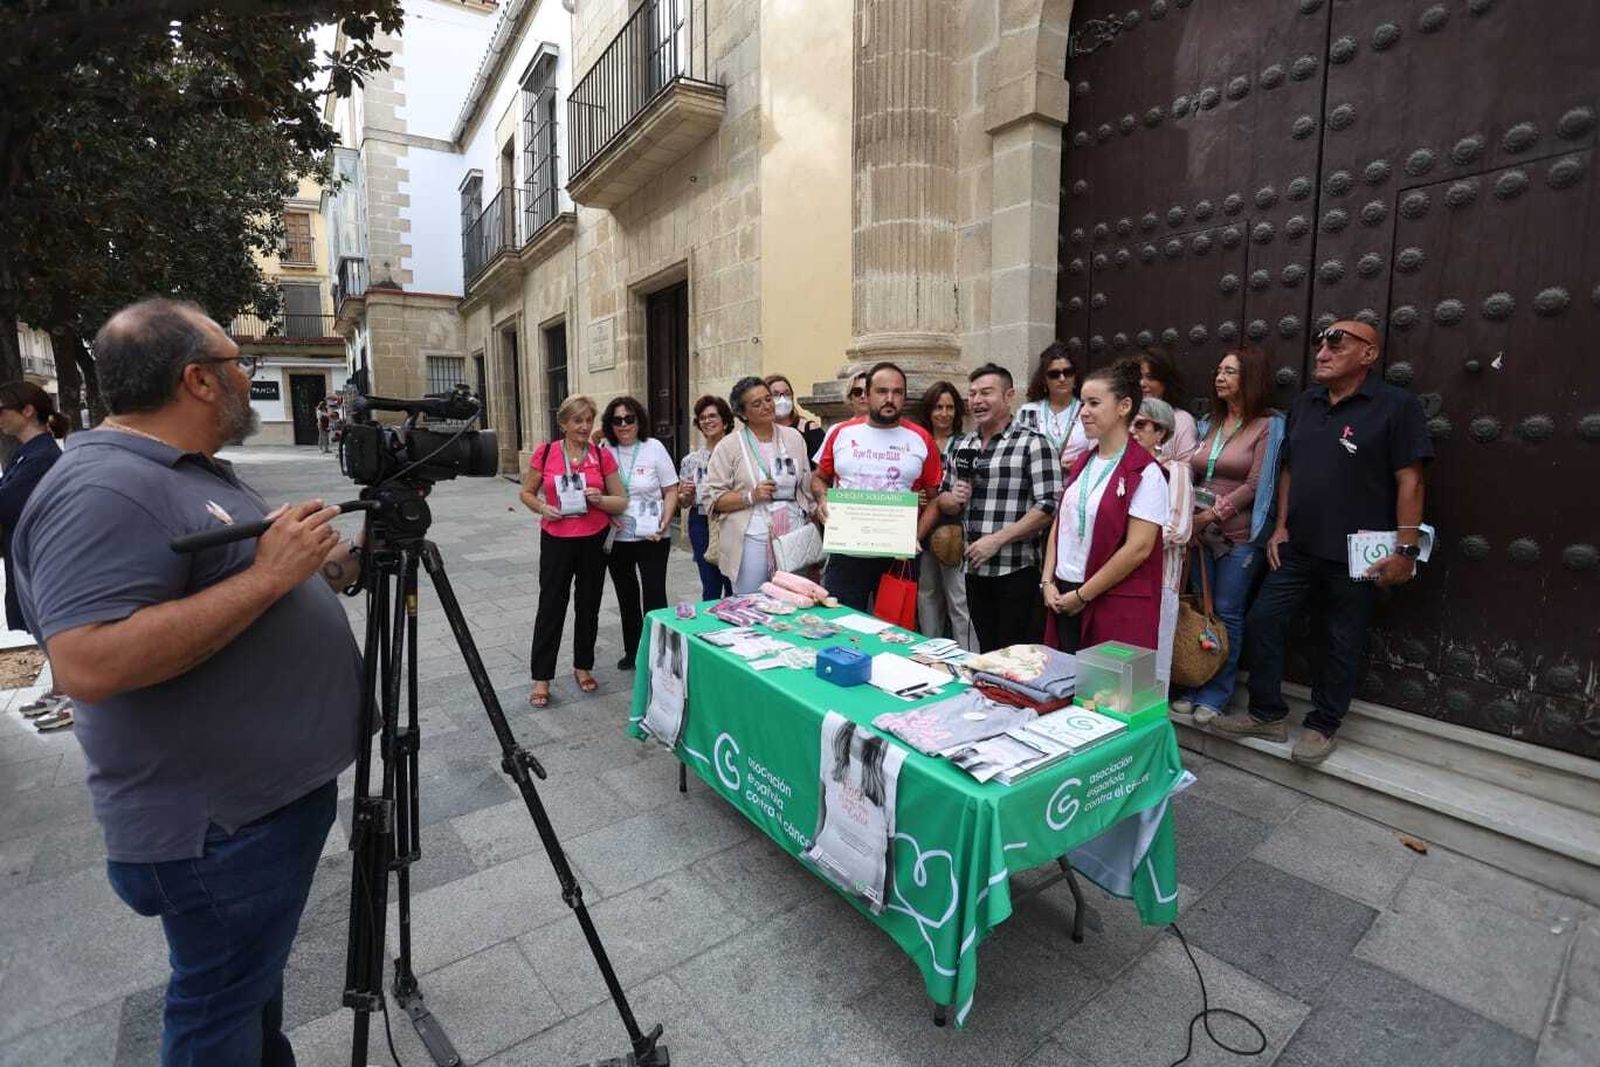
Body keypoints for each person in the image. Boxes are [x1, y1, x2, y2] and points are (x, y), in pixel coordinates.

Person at [11, 298, 363, 1064]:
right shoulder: (101, 490)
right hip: (220, 830)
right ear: (199, 380)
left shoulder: (180, 470)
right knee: (216, 1012)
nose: (249, 375)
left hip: (252, 812)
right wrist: (270, 578)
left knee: (242, 991)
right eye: (239, 363)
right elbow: (87, 662)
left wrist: (312, 562)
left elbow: (222, 577)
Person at [1210, 320, 1431, 764]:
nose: (1323, 352)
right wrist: (1281, 526)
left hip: (1359, 554)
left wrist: (1406, 551)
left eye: (1337, 343)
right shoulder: (1307, 403)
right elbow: (1289, 469)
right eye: (1319, 343)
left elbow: (1411, 481)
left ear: (1369, 354)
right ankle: (1267, 713)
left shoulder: (1395, 406)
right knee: (1263, 620)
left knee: (1341, 639)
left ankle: (1323, 724)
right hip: (1299, 546)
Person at [1173, 346, 1275, 721]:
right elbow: (1197, 473)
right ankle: (1197, 681)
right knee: (1203, 612)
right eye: (1219, 370)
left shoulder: (1266, 426)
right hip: (1201, 536)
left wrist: (1213, 514)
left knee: (1229, 613)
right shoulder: (1209, 424)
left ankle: (1218, 692)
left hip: (1238, 537)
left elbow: (1255, 483)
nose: (1220, 377)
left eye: (1230, 372)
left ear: (1251, 378)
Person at [1040, 358, 1166, 652]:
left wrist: (1083, 595)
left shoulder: (1145, 472)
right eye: (1083, 403)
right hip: (1063, 593)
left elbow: (1139, 548)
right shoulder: (1084, 461)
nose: (1083, 412)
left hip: (1108, 601)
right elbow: (1062, 522)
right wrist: (1047, 580)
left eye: (1094, 403)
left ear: (1123, 407)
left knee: (1102, 695)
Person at [932, 365, 1061, 651]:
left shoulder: (1033, 444)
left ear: (1009, 396)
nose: (977, 400)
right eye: (973, 393)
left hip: (1016, 570)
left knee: (1016, 655)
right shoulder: (962, 444)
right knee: (988, 651)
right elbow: (943, 500)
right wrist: (953, 498)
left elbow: (1049, 505)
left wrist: (996, 540)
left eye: (986, 393)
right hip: (974, 570)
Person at [522, 394, 629, 708]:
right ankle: (542, 676)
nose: (584, 426)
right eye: (577, 420)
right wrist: (543, 506)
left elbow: (620, 501)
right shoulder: (546, 454)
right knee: (551, 605)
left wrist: (599, 499)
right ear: (564, 423)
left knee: (588, 604)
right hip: (556, 538)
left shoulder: (601, 455)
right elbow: (526, 492)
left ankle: (583, 665)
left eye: (588, 420)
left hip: (593, 537)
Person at [811, 362, 941, 610]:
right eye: (882, 391)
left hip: (898, 553)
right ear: (867, 394)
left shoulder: (921, 439)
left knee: (892, 631)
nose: (890, 399)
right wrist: (822, 499)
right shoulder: (841, 433)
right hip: (847, 550)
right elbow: (819, 478)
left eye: (897, 392)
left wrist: (916, 536)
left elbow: (935, 499)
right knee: (842, 623)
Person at [0, 382, 71, 728]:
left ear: (27, 411)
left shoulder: (42, 455)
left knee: (48, 622)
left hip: (40, 555)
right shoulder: (26, 453)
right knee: (41, 625)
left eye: (3, 409)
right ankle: (61, 690)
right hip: (25, 552)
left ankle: (69, 694)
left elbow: (8, 504)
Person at [706, 377, 815, 593]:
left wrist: (817, 512)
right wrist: (750, 496)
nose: (767, 406)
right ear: (743, 413)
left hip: (791, 533)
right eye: (757, 404)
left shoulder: (794, 438)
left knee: (793, 599)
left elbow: (806, 486)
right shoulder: (728, 446)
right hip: (750, 537)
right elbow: (714, 499)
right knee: (752, 603)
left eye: (768, 399)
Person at [601, 395, 679, 670]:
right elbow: (599, 492)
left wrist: (665, 521)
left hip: (652, 536)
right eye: (617, 420)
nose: (624, 425)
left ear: (639, 420)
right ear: (610, 425)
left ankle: (660, 653)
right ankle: (632, 650)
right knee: (627, 595)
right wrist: (607, 515)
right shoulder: (604, 450)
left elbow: (671, 490)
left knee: (655, 593)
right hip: (618, 536)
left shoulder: (654, 447)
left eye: (629, 419)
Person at [1131, 397, 1194, 688]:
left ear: (1162, 432)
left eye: (1143, 424)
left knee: (1154, 663)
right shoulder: (1125, 467)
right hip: (1121, 576)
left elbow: (1179, 529)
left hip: (1159, 579)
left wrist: (1133, 540)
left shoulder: (1176, 471)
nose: (1134, 430)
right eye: (1131, 423)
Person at [913, 380, 975, 649]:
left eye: (950, 407)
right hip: (923, 525)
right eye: (938, 407)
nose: (944, 413)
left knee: (959, 599)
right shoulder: (917, 442)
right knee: (927, 594)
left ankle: (966, 658)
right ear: (929, 410)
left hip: (954, 529)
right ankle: (932, 652)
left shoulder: (966, 443)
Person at [678, 394, 735, 601]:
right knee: (710, 585)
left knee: (733, 583)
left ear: (725, 421)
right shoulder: (691, 460)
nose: (707, 421)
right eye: (702, 418)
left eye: (713, 416)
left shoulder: (736, 454)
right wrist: (685, 495)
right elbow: (684, 502)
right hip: (700, 521)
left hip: (730, 520)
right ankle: (709, 629)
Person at [1016, 340, 1092, 471]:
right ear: (1044, 379)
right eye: (1054, 374)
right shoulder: (1028, 412)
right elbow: (1018, 453)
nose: (1062, 379)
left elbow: (1100, 451)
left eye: (1068, 372)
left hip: (1076, 484)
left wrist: (1080, 464)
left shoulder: (1088, 411)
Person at [1138, 348, 1199, 460]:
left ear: (1165, 381)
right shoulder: (1127, 417)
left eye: (1150, 378)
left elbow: (1187, 467)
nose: (1142, 383)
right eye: (1139, 377)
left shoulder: (1181, 420)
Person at [766, 373, 826, 456]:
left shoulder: (809, 429)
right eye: (775, 395)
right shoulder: (762, 431)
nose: (782, 399)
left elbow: (823, 466)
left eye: (787, 394)